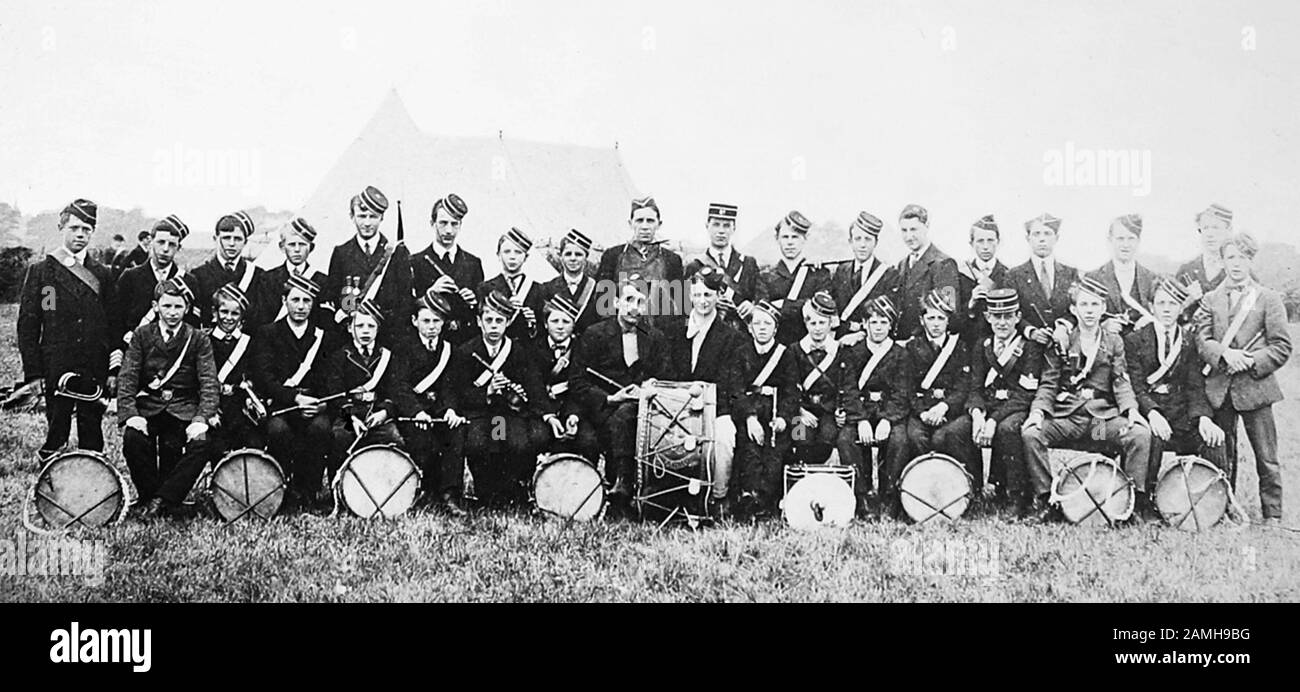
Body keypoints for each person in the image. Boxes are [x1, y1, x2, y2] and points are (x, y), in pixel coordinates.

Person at [1021, 276, 1153, 522]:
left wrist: (1132, 412)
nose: (1089, 311)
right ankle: (1047, 501)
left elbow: (1120, 380)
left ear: (1103, 308)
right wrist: (1037, 413)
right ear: (1073, 309)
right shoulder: (1062, 340)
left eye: (1094, 305)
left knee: (1139, 435)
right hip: (1067, 420)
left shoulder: (1113, 341)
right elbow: (1049, 382)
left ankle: (1130, 503)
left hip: (1098, 424)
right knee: (1032, 435)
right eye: (1084, 305)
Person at [1196, 232, 1292, 525]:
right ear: (1223, 261)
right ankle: (1225, 509)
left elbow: (1282, 346)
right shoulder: (1210, 299)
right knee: (1223, 454)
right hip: (1220, 389)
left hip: (1256, 388)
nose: (1236, 263)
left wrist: (1250, 360)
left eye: (1243, 257)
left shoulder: (1269, 298)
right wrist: (1225, 355)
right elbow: (1202, 340)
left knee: (1266, 456)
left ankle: (1272, 515)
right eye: (1230, 257)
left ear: (1251, 260)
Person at [17, 199, 119, 459]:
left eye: (86, 229)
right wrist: (34, 373)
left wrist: (111, 368)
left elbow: (113, 323)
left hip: (93, 365)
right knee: (56, 433)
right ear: (62, 227)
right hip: (56, 364)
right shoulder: (43, 272)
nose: (80, 235)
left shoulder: (103, 274)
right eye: (74, 228)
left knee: (92, 437)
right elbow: (30, 324)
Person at [116, 278, 219, 519]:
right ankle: (149, 495)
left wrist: (201, 418)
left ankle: (164, 500)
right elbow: (128, 377)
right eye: (166, 306)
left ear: (186, 308)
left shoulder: (198, 339)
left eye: (178, 307)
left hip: (183, 407)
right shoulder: (141, 335)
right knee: (133, 439)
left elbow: (208, 382)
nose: (172, 313)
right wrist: (131, 415)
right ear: (155, 306)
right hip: (150, 406)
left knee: (202, 442)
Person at [570, 275, 669, 506]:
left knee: (626, 414)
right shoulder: (595, 334)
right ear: (615, 303)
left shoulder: (655, 338)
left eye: (640, 302)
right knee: (620, 416)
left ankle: (626, 483)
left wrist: (650, 386)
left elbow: (667, 376)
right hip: (602, 409)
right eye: (629, 300)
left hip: (646, 411)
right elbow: (578, 381)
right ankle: (620, 483)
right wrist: (612, 397)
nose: (634, 308)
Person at [1124, 276, 1227, 493]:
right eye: (1161, 303)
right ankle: (1145, 500)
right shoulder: (1135, 340)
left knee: (1214, 438)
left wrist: (1204, 418)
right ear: (1151, 307)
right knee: (1151, 437)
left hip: (1182, 414)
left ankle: (1216, 500)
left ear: (1181, 308)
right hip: (1150, 412)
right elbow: (1137, 387)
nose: (1167, 309)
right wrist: (1152, 413)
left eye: (1173, 304)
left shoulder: (1188, 341)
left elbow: (1195, 386)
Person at [949, 288, 1044, 516]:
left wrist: (992, 421)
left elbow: (1024, 394)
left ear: (1018, 318)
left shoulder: (1029, 347)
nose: (1002, 323)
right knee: (955, 432)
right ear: (988, 317)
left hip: (1015, 408)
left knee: (1007, 430)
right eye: (997, 316)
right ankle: (972, 491)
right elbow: (975, 387)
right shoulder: (982, 345)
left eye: (1008, 316)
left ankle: (1015, 496)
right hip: (988, 407)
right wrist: (977, 414)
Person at [662, 267, 744, 517]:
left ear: (718, 296)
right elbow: (668, 371)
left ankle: (718, 497)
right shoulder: (676, 331)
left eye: (708, 295)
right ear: (690, 296)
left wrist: (705, 398)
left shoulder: (731, 337)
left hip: (715, 407)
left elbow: (730, 382)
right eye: (697, 295)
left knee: (724, 435)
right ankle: (668, 496)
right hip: (677, 406)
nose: (703, 301)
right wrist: (683, 396)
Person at [454, 290, 547, 508]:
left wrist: (518, 395)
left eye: (499, 321)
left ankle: (513, 492)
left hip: (507, 413)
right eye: (489, 320)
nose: (494, 326)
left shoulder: (517, 351)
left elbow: (533, 386)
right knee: (478, 445)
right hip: (479, 412)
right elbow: (458, 392)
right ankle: (487, 494)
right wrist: (487, 392)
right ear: (479, 322)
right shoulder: (466, 351)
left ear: (507, 324)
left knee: (518, 444)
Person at [251, 273, 335, 510]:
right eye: (295, 300)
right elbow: (264, 378)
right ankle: (282, 490)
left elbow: (329, 377)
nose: (301, 306)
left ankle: (309, 491)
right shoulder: (268, 333)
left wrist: (320, 403)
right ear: (284, 301)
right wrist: (294, 398)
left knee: (321, 430)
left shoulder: (322, 336)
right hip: (282, 402)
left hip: (313, 403)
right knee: (278, 431)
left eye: (307, 301)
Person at [397, 290, 469, 515]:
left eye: (437, 321)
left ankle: (450, 495)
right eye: (426, 320)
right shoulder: (403, 348)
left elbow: (450, 386)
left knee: (455, 435)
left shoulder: (450, 350)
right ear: (414, 321)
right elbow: (399, 387)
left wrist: (449, 410)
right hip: (412, 413)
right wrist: (417, 411)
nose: (431, 326)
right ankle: (424, 491)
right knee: (423, 440)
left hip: (438, 410)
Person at [323, 299, 411, 481]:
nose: (365, 331)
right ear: (349, 328)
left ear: (378, 329)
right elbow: (335, 393)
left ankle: (388, 488)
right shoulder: (339, 356)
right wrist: (350, 417)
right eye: (360, 325)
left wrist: (384, 413)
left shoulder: (387, 357)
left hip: (377, 416)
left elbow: (395, 391)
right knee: (341, 437)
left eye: (371, 326)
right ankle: (339, 488)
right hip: (348, 415)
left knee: (394, 438)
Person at [788, 291, 869, 485]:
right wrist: (799, 410)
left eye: (822, 323)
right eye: (813, 323)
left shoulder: (840, 352)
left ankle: (824, 486)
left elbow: (848, 386)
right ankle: (803, 487)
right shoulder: (795, 350)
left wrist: (841, 410)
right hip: (801, 412)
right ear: (806, 324)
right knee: (800, 440)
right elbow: (789, 387)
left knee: (826, 441)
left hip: (828, 412)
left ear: (830, 324)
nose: (817, 329)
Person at [732, 300, 799, 518]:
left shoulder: (785, 354)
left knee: (775, 450)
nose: (762, 328)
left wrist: (784, 418)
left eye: (767, 324)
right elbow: (735, 389)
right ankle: (749, 497)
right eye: (757, 323)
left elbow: (791, 391)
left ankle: (768, 500)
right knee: (749, 446)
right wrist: (750, 417)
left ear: (776, 329)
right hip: (749, 410)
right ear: (749, 328)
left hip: (776, 409)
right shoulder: (740, 353)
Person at [902, 290, 973, 495]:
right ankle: (921, 490)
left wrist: (944, 406)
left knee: (944, 437)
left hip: (950, 410)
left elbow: (964, 385)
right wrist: (923, 412)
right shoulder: (912, 348)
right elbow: (907, 387)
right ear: (922, 320)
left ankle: (961, 489)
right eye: (930, 317)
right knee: (915, 436)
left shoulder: (959, 347)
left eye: (940, 318)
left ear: (948, 320)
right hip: (921, 409)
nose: (935, 323)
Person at [323, 185, 413, 345]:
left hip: (388, 338)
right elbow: (333, 295)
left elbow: (405, 300)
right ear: (352, 216)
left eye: (373, 216)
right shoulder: (341, 253)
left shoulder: (396, 253)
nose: (367, 222)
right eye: (362, 216)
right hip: (351, 337)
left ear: (382, 218)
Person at [530, 293, 600, 462]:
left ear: (574, 325)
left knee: (589, 441)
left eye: (566, 321)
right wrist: (549, 417)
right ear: (545, 324)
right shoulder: (533, 349)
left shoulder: (583, 349)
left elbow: (582, 387)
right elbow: (534, 387)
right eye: (555, 321)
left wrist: (573, 416)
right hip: (543, 411)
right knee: (537, 438)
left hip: (573, 409)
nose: (560, 327)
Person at [595, 196, 685, 325]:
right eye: (639, 220)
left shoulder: (672, 260)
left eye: (650, 221)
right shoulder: (613, 256)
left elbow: (680, 307)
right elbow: (602, 306)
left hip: (659, 336)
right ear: (630, 223)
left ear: (659, 224)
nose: (644, 226)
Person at [411, 193, 484, 345]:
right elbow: (407, 308)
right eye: (443, 223)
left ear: (460, 225)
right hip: (431, 342)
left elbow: (482, 311)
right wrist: (430, 293)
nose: (449, 230)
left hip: (465, 342)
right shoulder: (415, 262)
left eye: (454, 224)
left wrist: (473, 301)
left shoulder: (473, 263)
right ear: (432, 223)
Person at [204, 283, 263, 462]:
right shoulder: (204, 341)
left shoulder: (249, 343)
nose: (229, 318)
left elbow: (256, 375)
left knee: (254, 444)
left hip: (241, 407)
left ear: (241, 317)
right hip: (213, 407)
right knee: (217, 447)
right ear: (215, 314)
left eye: (235, 313)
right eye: (224, 312)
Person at [1004, 213, 1078, 353]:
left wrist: (1063, 326)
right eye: (1036, 234)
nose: (1042, 239)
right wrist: (1030, 331)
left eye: (1047, 234)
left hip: (1064, 347)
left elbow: (1077, 309)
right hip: (1027, 349)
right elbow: (1011, 312)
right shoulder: (1013, 275)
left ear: (1056, 238)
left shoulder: (1071, 274)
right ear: (1028, 239)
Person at [755, 210, 832, 345]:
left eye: (795, 237)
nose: (790, 243)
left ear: (805, 238)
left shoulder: (819, 273)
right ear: (777, 239)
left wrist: (782, 304)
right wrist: (805, 304)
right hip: (776, 348)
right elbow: (763, 314)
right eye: (785, 237)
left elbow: (820, 312)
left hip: (808, 347)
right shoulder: (765, 276)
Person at [116, 216, 193, 344]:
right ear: (151, 242)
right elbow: (117, 320)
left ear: (179, 248)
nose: (165, 249)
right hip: (136, 352)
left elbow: (191, 325)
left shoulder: (188, 282)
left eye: (172, 244)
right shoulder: (130, 277)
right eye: (161, 242)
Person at [683, 202, 761, 330]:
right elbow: (685, 305)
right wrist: (708, 303)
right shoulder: (695, 266)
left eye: (726, 226)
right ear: (707, 226)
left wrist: (752, 306)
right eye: (716, 225)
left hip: (740, 334)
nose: (721, 231)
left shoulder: (748, 263)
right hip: (707, 332)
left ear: (734, 228)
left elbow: (761, 296)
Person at [830, 212, 898, 345]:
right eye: (858, 239)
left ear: (876, 243)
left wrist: (861, 334)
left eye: (868, 239)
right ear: (850, 242)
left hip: (872, 344)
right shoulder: (841, 271)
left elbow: (889, 318)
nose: (862, 245)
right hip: (841, 341)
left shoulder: (889, 275)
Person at [185, 211, 263, 328]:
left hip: (246, 343)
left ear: (245, 242)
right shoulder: (198, 275)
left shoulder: (258, 275)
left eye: (237, 239)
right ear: (215, 239)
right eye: (226, 238)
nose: (232, 244)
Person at [893, 204, 959, 340]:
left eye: (914, 229)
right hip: (902, 343)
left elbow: (948, 314)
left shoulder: (943, 264)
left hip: (925, 346)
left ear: (926, 226)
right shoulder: (902, 264)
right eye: (904, 230)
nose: (909, 236)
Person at [1085, 214, 1158, 336]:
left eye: (1131, 238)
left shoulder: (1151, 278)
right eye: (1120, 238)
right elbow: (1082, 317)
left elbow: (1162, 314)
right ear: (1110, 240)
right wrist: (1101, 326)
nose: (1126, 244)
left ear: (1138, 241)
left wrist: (1150, 321)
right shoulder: (1094, 278)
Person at [253, 217, 331, 327]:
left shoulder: (322, 281)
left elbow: (323, 322)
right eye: (292, 244)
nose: (297, 250)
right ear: (282, 247)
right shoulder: (268, 279)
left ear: (311, 248)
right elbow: (262, 319)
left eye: (302, 244)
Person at [477, 227, 545, 342]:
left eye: (518, 252)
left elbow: (543, 331)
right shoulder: (485, 288)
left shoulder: (538, 289)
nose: (512, 257)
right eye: (507, 251)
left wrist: (533, 323)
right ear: (498, 254)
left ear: (526, 257)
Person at [956, 214, 1010, 347]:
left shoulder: (1008, 274)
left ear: (999, 242)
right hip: (968, 343)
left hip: (997, 346)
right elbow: (953, 318)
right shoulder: (961, 274)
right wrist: (971, 303)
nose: (986, 247)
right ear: (971, 243)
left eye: (990, 240)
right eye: (980, 241)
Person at [541, 228, 602, 336]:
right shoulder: (546, 289)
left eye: (578, 254)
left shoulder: (598, 289)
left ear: (586, 257)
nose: (573, 259)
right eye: (568, 254)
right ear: (561, 257)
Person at [1178, 203, 1233, 296]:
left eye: (1216, 228)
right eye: (1205, 228)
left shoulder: (1239, 271)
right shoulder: (1186, 271)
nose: (1210, 234)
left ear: (1229, 230)